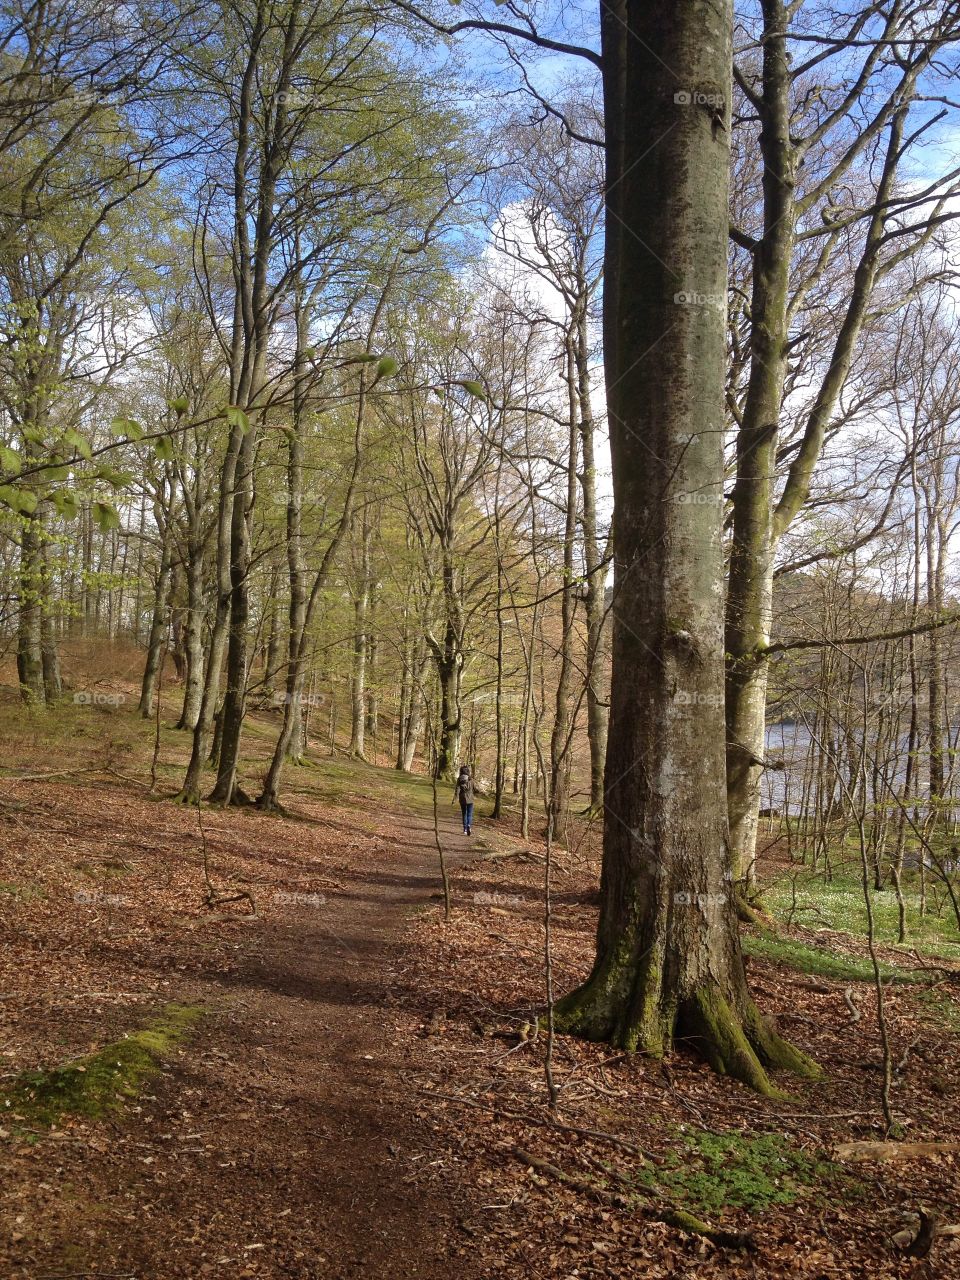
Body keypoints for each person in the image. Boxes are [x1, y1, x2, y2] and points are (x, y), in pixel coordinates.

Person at [453, 764, 474, 835]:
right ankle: (469, 825)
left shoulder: (459, 779)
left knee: (464, 814)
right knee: (469, 814)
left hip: (462, 799)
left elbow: (457, 790)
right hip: (470, 798)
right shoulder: (470, 779)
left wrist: (454, 799)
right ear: (467, 771)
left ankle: (465, 829)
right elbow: (474, 788)